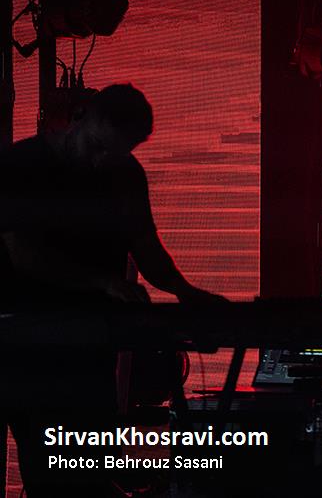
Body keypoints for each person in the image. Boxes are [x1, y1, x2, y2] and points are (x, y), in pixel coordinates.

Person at [0, 83, 225, 496]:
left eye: (118, 153)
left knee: (87, 462)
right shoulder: (22, 164)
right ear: (80, 118)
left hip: (90, 346)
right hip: (28, 347)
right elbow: (24, 256)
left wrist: (185, 291)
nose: (101, 161)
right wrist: (104, 283)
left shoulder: (125, 174)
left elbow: (147, 248)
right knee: (47, 461)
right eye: (99, 147)